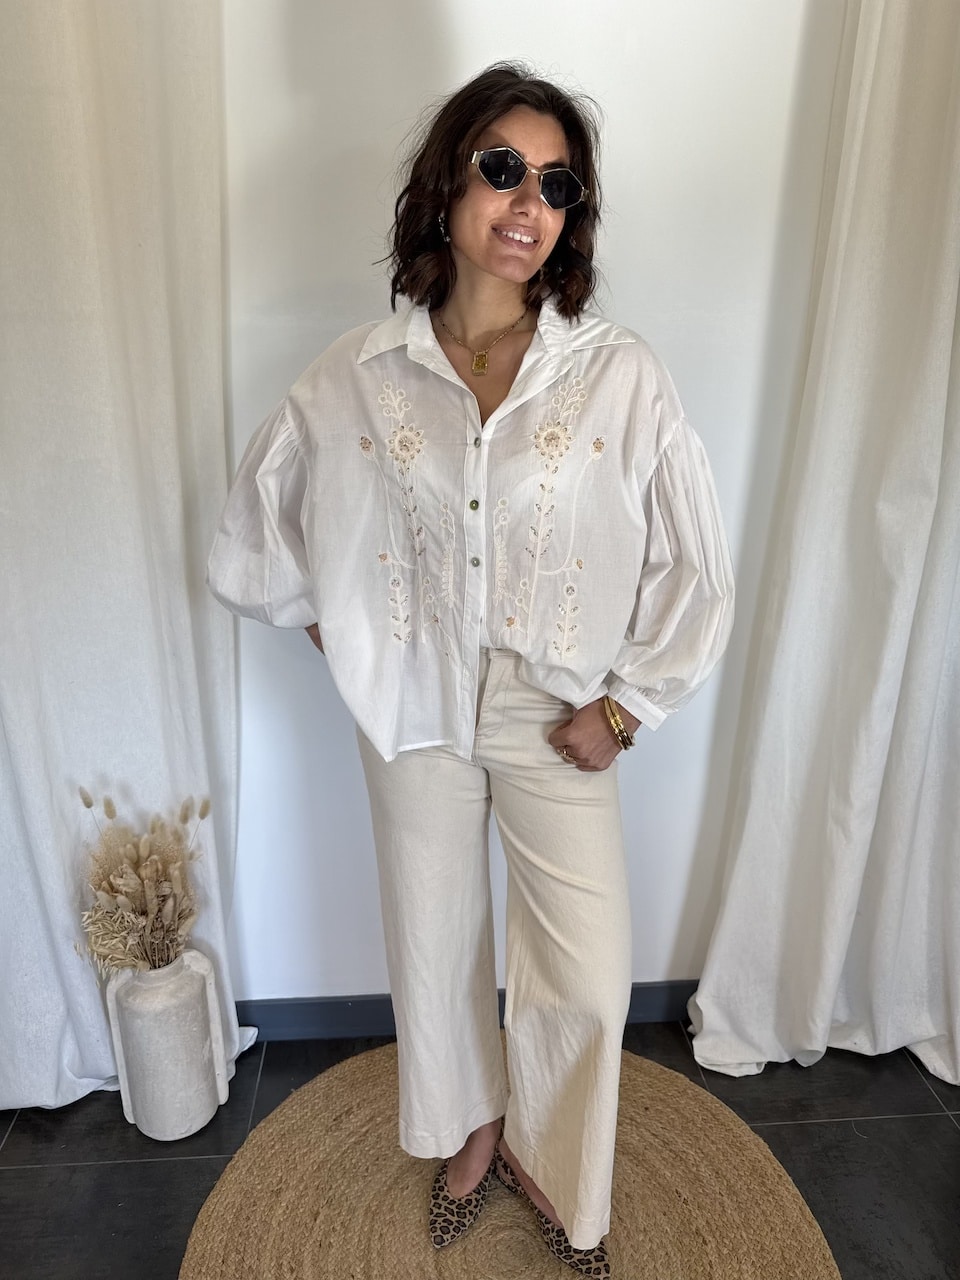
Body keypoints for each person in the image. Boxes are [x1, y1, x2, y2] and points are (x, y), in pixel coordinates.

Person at [208, 62, 734, 1277]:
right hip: (414, 703)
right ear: (447, 183)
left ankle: (556, 1161)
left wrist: (628, 704)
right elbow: (255, 524)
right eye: (503, 168)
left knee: (586, 969)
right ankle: (474, 1126)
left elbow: (697, 559)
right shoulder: (360, 369)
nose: (527, 202)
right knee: (435, 937)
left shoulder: (618, 373)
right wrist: (332, 621)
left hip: (558, 708)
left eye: (557, 183)